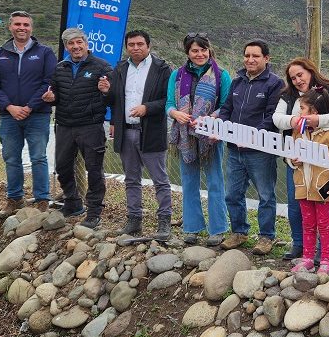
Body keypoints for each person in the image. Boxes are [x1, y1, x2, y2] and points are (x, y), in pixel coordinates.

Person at [99, 30, 172, 240]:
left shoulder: (162, 69)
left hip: (151, 132)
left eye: (140, 44)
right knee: (131, 179)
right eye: (131, 44)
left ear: (148, 46)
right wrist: (105, 91)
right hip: (126, 132)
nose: (136, 48)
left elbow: (168, 100)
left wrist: (146, 108)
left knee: (160, 179)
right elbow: (113, 100)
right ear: (126, 47)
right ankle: (133, 220)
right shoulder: (120, 68)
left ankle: (164, 222)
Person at [273, 58, 329, 261]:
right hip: (298, 159)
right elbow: (277, 119)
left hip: (324, 163)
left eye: (300, 74)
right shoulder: (287, 97)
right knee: (295, 202)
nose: (297, 80)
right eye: (293, 77)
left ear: (310, 71)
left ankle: (323, 251)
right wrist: (296, 121)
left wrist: (318, 121)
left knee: (323, 204)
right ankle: (299, 244)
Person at [0, 10, 57, 214]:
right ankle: (14, 198)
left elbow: (49, 81)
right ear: (10, 27)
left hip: (38, 115)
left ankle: (42, 199)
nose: (22, 28)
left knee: (38, 157)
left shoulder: (45, 52)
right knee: (11, 157)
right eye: (17, 24)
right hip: (9, 116)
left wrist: (29, 107)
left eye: (25, 24)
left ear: (31, 28)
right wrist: (9, 107)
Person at [218, 39, 285, 254]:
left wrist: (250, 137)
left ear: (266, 58)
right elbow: (226, 109)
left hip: (261, 151)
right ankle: (239, 232)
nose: (250, 59)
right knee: (232, 194)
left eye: (255, 56)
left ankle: (266, 237)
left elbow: (272, 117)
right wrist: (223, 129)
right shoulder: (237, 82)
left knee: (265, 196)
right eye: (247, 55)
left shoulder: (275, 84)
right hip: (235, 150)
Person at [42, 27, 113, 228]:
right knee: (62, 167)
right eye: (71, 44)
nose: (76, 47)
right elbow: (54, 93)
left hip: (91, 126)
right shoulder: (60, 67)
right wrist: (51, 99)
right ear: (66, 47)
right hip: (64, 125)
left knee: (94, 170)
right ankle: (73, 203)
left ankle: (94, 211)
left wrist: (107, 91)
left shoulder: (102, 66)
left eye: (79, 42)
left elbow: (113, 96)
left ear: (86, 43)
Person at [166, 32, 232, 247]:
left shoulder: (221, 76)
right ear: (187, 52)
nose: (200, 54)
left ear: (209, 50)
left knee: (215, 181)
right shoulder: (176, 75)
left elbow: (226, 107)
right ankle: (192, 227)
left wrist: (210, 118)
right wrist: (175, 114)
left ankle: (217, 229)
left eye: (203, 50)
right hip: (185, 134)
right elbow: (169, 104)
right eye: (195, 50)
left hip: (211, 135)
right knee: (189, 181)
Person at [288, 90, 329, 276]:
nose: (299, 113)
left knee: (324, 223)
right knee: (307, 223)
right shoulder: (298, 132)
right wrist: (293, 161)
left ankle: (327, 260)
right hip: (303, 186)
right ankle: (307, 258)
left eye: (302, 109)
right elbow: (292, 154)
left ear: (314, 112)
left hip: (323, 188)